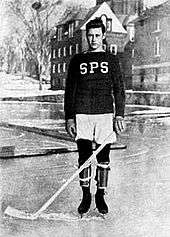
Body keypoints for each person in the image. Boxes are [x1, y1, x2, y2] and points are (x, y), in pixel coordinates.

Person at [64, 17, 125, 215]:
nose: (93, 40)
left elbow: (119, 90)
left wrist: (120, 115)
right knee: (83, 156)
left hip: (104, 114)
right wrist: (70, 117)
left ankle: (100, 194)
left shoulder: (111, 60)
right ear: (86, 37)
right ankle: (86, 195)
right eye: (90, 36)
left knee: (103, 157)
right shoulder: (77, 60)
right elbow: (70, 91)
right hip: (82, 114)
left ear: (104, 36)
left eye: (97, 35)